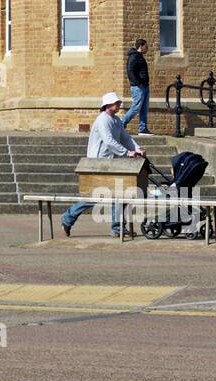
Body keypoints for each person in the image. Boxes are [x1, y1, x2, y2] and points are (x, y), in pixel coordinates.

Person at [61, 91, 147, 237]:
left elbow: (125, 138)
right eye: (116, 103)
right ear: (108, 105)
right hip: (97, 163)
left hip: (110, 163)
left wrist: (137, 149)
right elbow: (109, 141)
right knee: (94, 197)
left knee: (120, 194)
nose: (119, 104)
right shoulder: (103, 120)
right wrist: (127, 153)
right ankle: (68, 217)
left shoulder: (116, 121)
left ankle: (117, 228)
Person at [121, 38, 151, 134]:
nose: (147, 48)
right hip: (138, 87)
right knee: (136, 108)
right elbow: (130, 71)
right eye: (146, 46)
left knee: (144, 109)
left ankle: (143, 129)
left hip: (145, 86)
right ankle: (121, 124)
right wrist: (138, 83)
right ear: (141, 46)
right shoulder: (133, 56)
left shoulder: (140, 56)